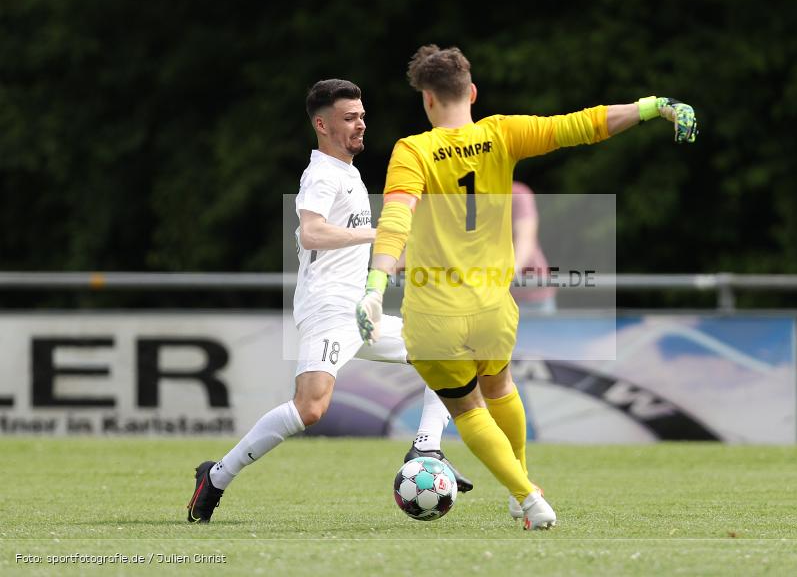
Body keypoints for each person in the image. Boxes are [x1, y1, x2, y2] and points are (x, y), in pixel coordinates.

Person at [356, 45, 697, 530]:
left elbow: (395, 217)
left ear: (427, 101)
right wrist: (653, 106)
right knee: (501, 387)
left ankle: (528, 497)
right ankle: (523, 491)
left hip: (434, 312)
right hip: (494, 306)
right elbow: (583, 124)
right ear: (471, 92)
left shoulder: (413, 150)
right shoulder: (502, 133)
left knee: (468, 409)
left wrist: (375, 282)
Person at [187, 79, 472, 524]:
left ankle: (426, 447)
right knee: (310, 408)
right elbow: (311, 232)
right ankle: (216, 477)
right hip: (328, 307)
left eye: (361, 115)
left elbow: (353, 245)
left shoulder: (349, 173)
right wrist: (380, 232)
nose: (361, 124)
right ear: (322, 124)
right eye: (349, 117)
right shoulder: (321, 174)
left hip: (359, 309)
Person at [511, 181, 556, 314]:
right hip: (487, 299)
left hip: (532, 296)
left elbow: (525, 239)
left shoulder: (518, 194)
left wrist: (510, 272)